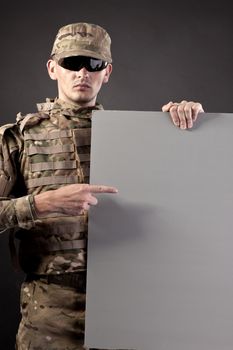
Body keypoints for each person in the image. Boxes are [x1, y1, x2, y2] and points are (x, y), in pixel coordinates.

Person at [0, 22, 204, 350]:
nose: (82, 72)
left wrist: (192, 126)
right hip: (49, 318)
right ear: (53, 68)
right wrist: (40, 204)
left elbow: (194, 197)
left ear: (106, 72)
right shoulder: (19, 137)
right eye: (71, 63)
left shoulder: (143, 137)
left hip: (130, 309)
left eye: (93, 64)